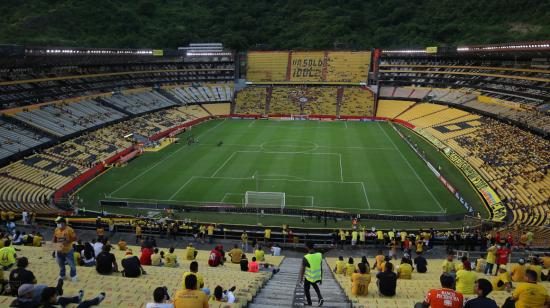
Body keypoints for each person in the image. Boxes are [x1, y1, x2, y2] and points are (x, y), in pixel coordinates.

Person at [52, 217, 77, 282]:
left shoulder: (70, 230)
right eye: (57, 223)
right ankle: (62, 275)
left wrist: (68, 241)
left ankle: (73, 276)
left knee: (72, 265)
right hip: (59, 250)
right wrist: (54, 246)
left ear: (63, 223)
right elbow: (54, 238)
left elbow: (74, 238)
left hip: (68, 250)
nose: (57, 224)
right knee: (61, 265)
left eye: (58, 223)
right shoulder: (56, 229)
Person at [299, 241, 324, 306]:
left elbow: (302, 270)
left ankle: (309, 303)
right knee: (314, 285)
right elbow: (320, 266)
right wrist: (321, 277)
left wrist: (301, 279)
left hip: (309, 276)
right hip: (317, 276)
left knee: (306, 289)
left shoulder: (306, 257)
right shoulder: (319, 255)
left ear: (307, 247)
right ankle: (320, 297)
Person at [40, 285, 106, 308]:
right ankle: (96, 300)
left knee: (60, 299)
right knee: (84, 303)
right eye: (55, 295)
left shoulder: (44, 303)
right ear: (51, 297)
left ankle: (77, 299)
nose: (56, 296)